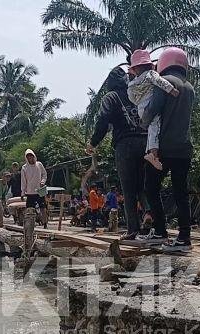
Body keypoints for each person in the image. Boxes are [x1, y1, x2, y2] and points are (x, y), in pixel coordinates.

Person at [139, 47, 196, 250]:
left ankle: (160, 231)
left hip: (164, 148)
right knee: (181, 192)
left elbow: (152, 110)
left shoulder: (165, 83)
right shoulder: (189, 87)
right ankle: (184, 238)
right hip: (184, 149)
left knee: (151, 187)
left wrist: (143, 122)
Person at [87, 66, 149, 241]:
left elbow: (103, 120)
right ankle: (150, 214)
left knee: (129, 188)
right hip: (145, 141)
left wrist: (93, 142)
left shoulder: (111, 97)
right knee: (144, 185)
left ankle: (133, 230)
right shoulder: (135, 94)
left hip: (125, 143)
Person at [126, 49, 180, 171]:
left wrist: (140, 102)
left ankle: (150, 152)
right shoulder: (151, 74)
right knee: (155, 127)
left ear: (134, 70)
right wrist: (172, 90)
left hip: (141, 109)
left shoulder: (132, 84)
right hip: (151, 105)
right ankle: (154, 154)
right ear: (150, 65)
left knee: (151, 129)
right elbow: (160, 81)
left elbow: (131, 98)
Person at [20, 149, 48, 225]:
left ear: (34, 156)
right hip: (30, 191)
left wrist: (42, 182)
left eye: (31, 157)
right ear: (26, 158)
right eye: (28, 157)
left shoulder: (39, 164)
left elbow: (44, 174)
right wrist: (23, 192)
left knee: (43, 207)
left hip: (40, 190)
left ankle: (45, 223)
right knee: (29, 209)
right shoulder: (24, 168)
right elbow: (23, 181)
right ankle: (30, 224)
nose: (30, 159)